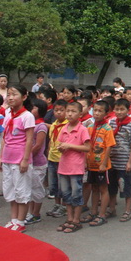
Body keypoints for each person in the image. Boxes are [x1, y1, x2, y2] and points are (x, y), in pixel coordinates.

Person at [0, 85, 35, 232]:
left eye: (14, 94)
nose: (10, 97)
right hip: (7, 158)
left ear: (24, 97)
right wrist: (0, 157)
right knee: (10, 191)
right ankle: (13, 219)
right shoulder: (8, 114)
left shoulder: (27, 116)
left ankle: (20, 221)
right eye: (9, 94)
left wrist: (25, 159)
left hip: (19, 160)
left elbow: (29, 140)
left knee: (21, 191)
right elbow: (4, 138)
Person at [55, 102, 91, 233]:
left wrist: (69, 146)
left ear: (80, 114)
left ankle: (76, 220)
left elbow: (87, 147)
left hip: (76, 167)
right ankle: (69, 218)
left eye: (73, 111)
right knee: (66, 194)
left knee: (76, 194)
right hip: (63, 166)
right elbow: (59, 144)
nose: (70, 114)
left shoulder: (82, 129)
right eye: (68, 111)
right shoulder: (64, 128)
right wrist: (61, 148)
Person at [82, 100, 115, 228]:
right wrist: (86, 161)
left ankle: (102, 214)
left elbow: (109, 146)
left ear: (106, 113)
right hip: (91, 164)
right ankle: (93, 212)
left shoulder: (107, 129)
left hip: (102, 165)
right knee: (94, 188)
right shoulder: (90, 127)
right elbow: (87, 145)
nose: (96, 113)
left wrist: (104, 163)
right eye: (95, 110)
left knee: (103, 189)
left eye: (100, 111)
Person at [108, 99, 131, 222]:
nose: (119, 112)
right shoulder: (112, 122)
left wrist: (130, 161)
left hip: (124, 161)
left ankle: (127, 210)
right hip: (112, 160)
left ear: (128, 110)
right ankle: (112, 208)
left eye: (122, 109)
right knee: (111, 186)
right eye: (117, 109)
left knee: (125, 186)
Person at [25, 99, 48, 225]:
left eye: (34, 107)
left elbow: (38, 145)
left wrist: (27, 156)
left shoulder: (41, 126)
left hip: (38, 162)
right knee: (29, 188)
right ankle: (31, 212)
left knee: (37, 187)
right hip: (30, 161)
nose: (31, 109)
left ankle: (36, 213)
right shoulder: (30, 123)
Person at [46, 100, 68, 217]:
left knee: (62, 184)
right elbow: (51, 140)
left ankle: (64, 206)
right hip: (52, 158)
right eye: (56, 110)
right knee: (53, 183)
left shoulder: (67, 125)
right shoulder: (53, 125)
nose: (58, 112)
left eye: (61, 110)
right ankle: (57, 204)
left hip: (62, 159)